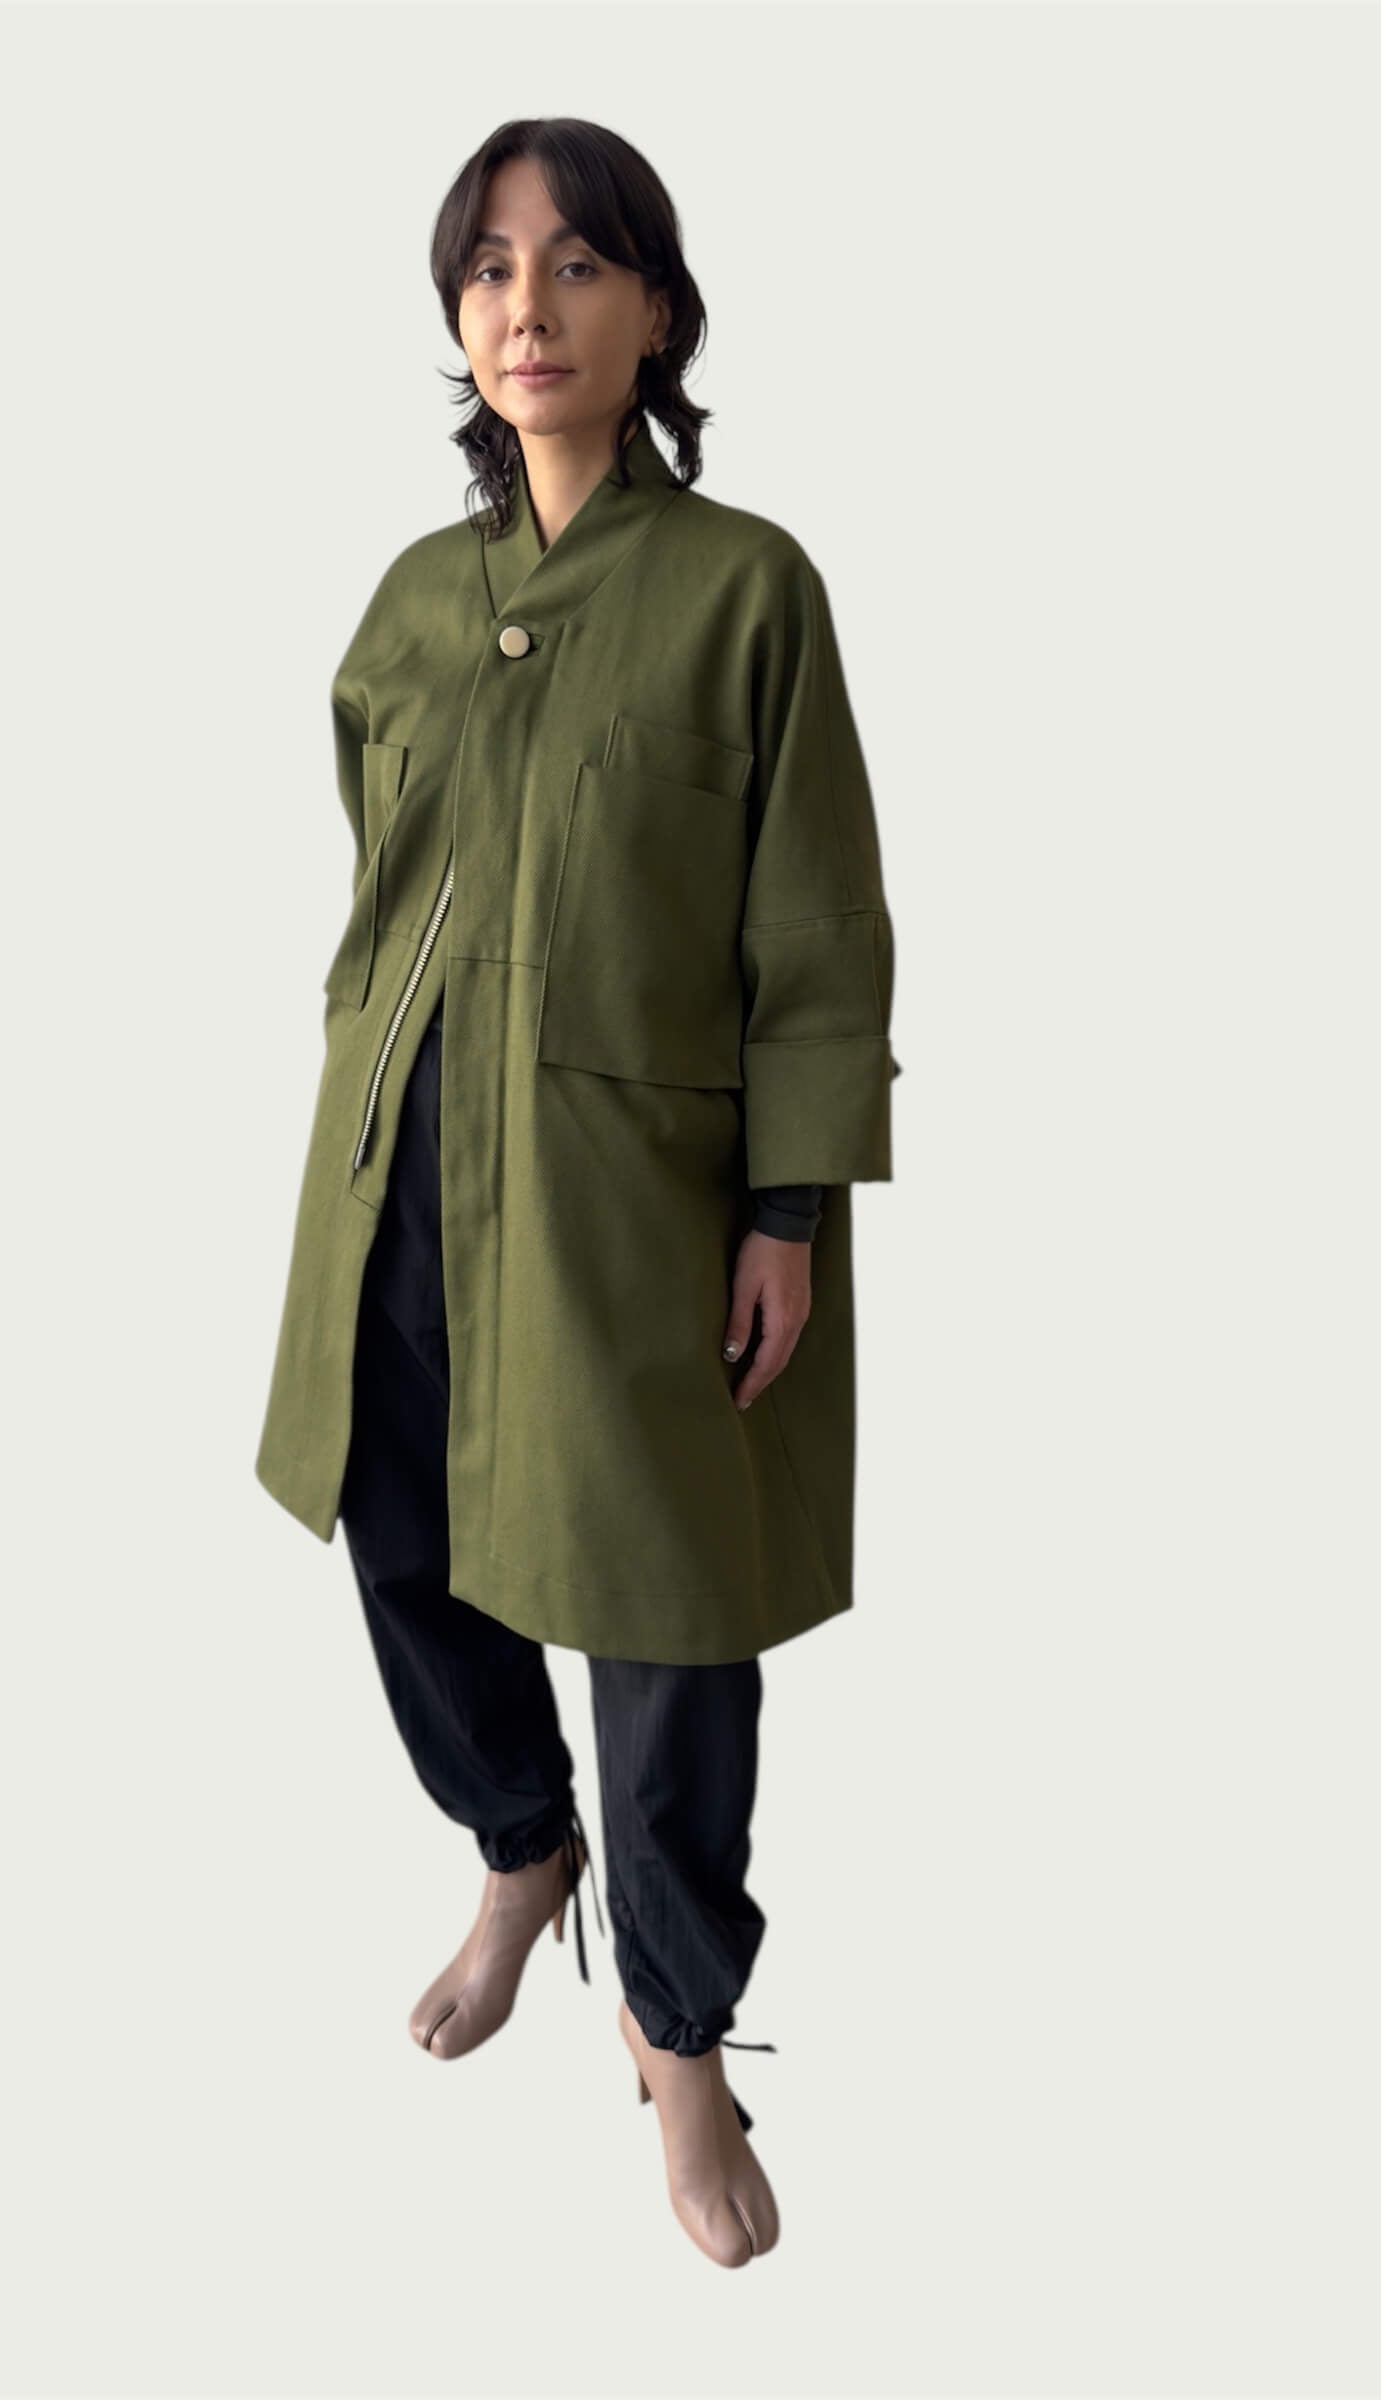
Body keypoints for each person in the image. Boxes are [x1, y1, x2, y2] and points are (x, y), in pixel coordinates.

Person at [255, 117, 903, 2271]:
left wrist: (786, 1207)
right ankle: (522, 1850)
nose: (526, 306)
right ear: (460, 319)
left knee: (662, 1612)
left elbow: (816, 924)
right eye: (490, 269)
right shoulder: (413, 602)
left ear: (657, 313)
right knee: (403, 1526)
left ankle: (681, 2032)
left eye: (577, 265)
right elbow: (377, 880)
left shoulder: (743, 590)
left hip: (633, 1196)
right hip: (401, 1163)